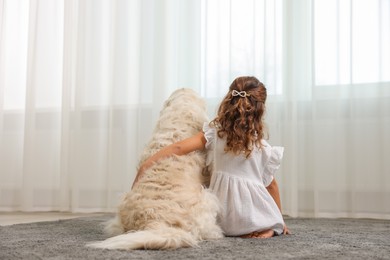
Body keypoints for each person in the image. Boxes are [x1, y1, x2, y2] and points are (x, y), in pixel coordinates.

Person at [133, 76, 290, 238]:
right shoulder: (263, 147)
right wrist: (280, 218)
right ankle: (267, 227)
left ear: (229, 101)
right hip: (252, 215)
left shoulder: (215, 133)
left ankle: (248, 229)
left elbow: (178, 147)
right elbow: (272, 186)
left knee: (222, 215)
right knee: (271, 219)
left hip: (224, 218)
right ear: (260, 109)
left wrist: (147, 164)